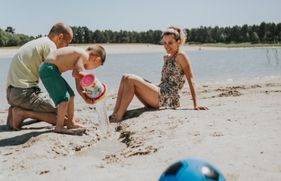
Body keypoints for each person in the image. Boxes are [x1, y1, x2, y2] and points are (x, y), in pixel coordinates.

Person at [110, 26, 208, 123]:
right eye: (164, 43)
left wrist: (196, 104)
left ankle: (118, 116)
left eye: (170, 43)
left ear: (178, 42)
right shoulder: (167, 57)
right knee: (125, 77)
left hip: (169, 98)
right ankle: (115, 113)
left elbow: (191, 79)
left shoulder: (181, 56)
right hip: (160, 92)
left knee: (130, 79)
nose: (167, 46)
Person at [6, 22, 73, 130]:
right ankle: (23, 113)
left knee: (54, 108)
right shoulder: (50, 46)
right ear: (60, 37)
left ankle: (16, 109)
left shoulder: (41, 42)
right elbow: (55, 74)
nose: (67, 47)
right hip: (24, 93)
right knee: (64, 115)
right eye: (67, 43)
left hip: (12, 93)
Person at [39, 45, 106, 134]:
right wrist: (90, 78)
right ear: (96, 59)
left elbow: (78, 84)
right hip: (49, 69)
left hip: (50, 69)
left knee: (71, 95)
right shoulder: (84, 55)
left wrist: (85, 97)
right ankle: (59, 126)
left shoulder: (80, 57)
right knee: (64, 98)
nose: (92, 69)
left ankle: (71, 123)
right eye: (96, 67)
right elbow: (77, 74)